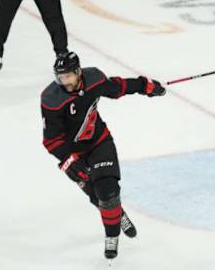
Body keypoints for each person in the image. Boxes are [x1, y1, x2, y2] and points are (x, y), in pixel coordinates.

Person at [40, 52, 166, 259]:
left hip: (99, 142)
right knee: (96, 195)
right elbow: (51, 141)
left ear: (78, 72)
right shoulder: (51, 99)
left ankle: (112, 236)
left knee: (107, 191)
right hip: (72, 154)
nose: (65, 81)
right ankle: (119, 213)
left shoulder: (94, 79)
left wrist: (145, 86)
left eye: (68, 76)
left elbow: (118, 88)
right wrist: (70, 160)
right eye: (60, 78)